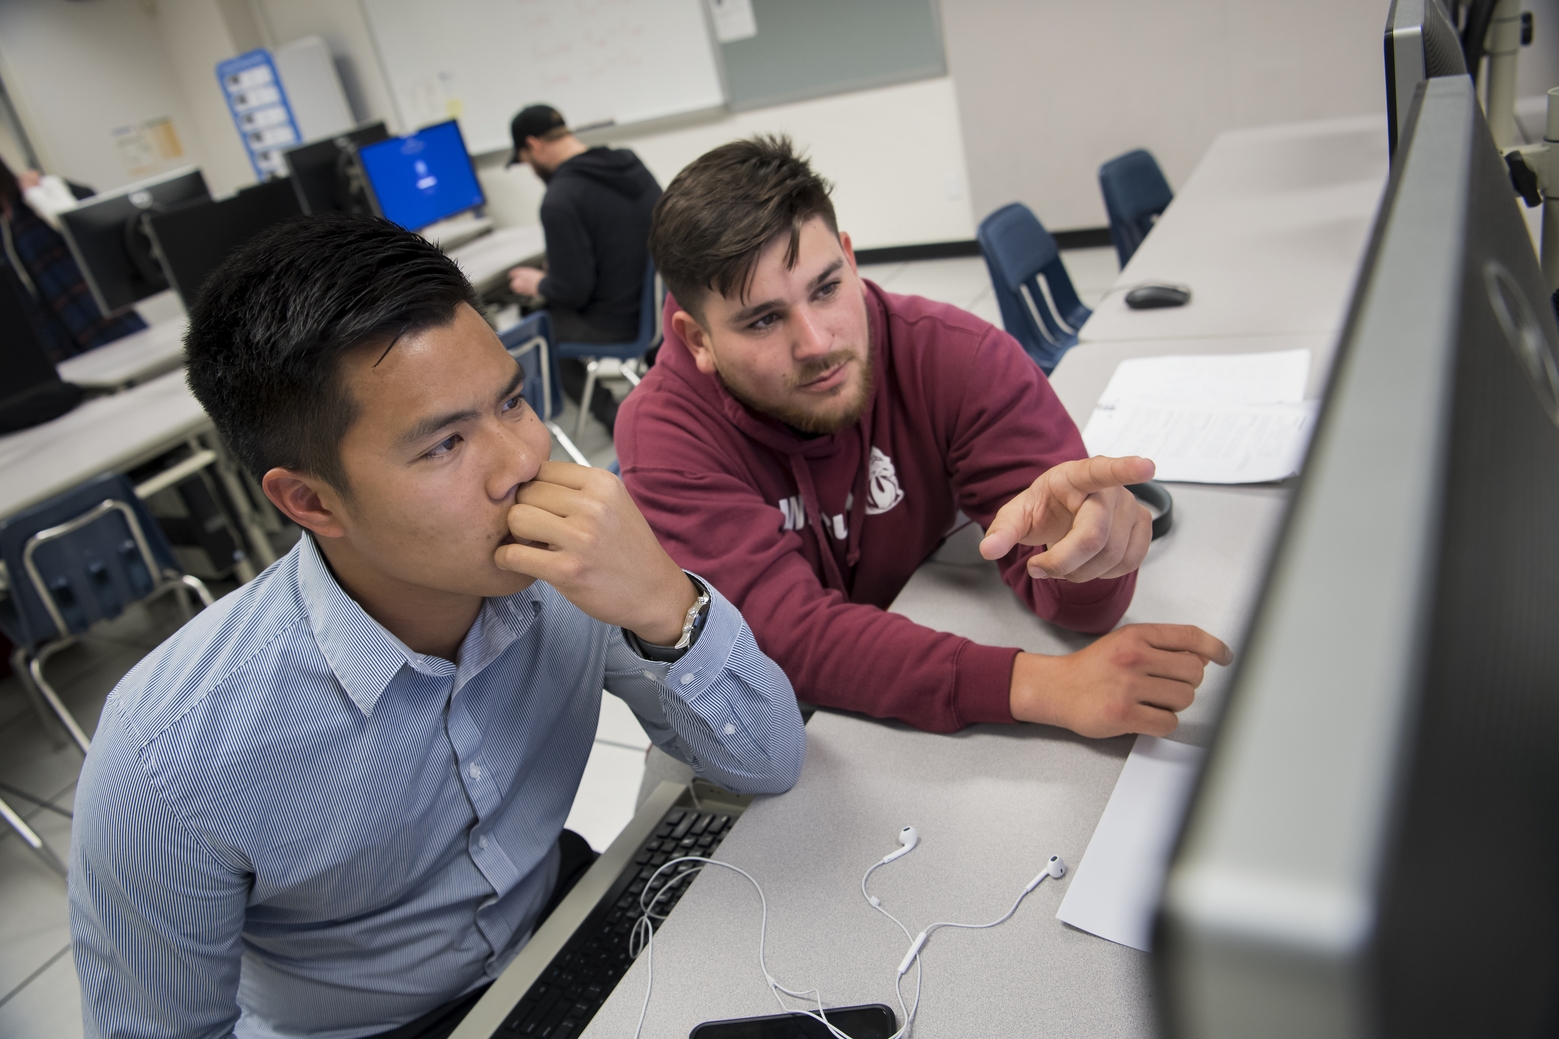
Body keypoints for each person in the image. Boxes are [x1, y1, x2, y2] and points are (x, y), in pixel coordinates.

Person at [68, 214, 805, 1039]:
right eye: (446, 443)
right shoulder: (167, 759)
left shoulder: (567, 568)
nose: (522, 461)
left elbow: (767, 763)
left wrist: (668, 606)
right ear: (309, 500)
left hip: (561, 927)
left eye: (513, 401)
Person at [617, 135, 1232, 748]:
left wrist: (1088, 557)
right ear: (696, 339)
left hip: (910, 668)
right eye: (764, 320)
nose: (818, 342)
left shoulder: (955, 357)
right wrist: (1044, 685)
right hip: (762, 715)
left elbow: (1083, 612)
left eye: (827, 288)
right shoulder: (664, 433)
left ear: (851, 260)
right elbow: (784, 638)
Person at [504, 105, 662, 435]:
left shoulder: (560, 199)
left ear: (533, 145)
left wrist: (538, 283)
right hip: (657, 308)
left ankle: (614, 417)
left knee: (536, 331)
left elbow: (571, 291)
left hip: (617, 323)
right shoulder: (629, 164)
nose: (531, 170)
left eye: (525, 160)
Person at [0, 157, 145, 362]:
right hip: (58, 347)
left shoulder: (40, 193)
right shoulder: (4, 227)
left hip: (107, 324)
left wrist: (39, 196)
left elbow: (97, 223)